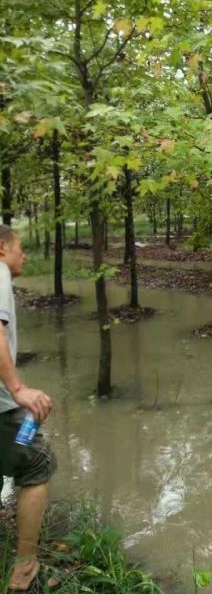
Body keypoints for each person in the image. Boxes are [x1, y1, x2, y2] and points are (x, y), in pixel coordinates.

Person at [0, 226, 56, 591]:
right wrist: (18, 388)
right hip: (1, 406)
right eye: (22, 247)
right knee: (39, 462)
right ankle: (25, 567)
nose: (26, 255)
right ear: (2, 247)